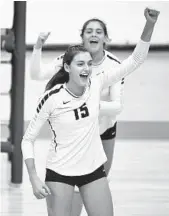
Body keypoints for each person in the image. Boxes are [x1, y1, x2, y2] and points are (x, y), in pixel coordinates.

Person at [22, 8, 159, 216]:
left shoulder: (97, 84)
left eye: (88, 64)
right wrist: (33, 177)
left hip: (93, 171)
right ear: (67, 68)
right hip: (60, 173)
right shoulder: (51, 98)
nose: (86, 68)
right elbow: (27, 139)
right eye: (80, 64)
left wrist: (149, 24)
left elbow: (136, 59)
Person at [30, 18, 125, 216]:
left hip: (103, 132)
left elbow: (117, 107)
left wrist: (89, 106)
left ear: (106, 38)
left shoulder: (113, 64)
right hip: (73, 134)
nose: (93, 35)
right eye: (89, 31)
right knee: (71, 193)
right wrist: (38, 46)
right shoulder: (69, 60)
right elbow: (36, 74)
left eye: (99, 31)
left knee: (96, 185)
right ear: (81, 37)